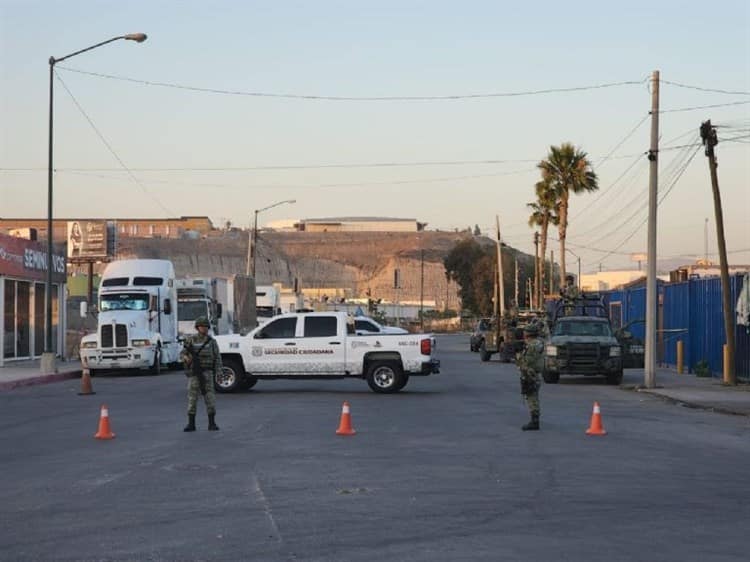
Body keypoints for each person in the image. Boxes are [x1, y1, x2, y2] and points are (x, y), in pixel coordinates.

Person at [180, 316, 222, 432]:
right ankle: (191, 423)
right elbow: (182, 353)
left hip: (207, 373)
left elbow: (217, 357)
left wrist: (219, 372)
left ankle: (212, 423)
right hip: (194, 373)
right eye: (202, 326)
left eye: (206, 327)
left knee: (210, 398)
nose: (204, 329)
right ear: (197, 327)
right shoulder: (191, 340)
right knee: (192, 398)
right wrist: (186, 358)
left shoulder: (211, 341)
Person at [517, 323, 544, 431]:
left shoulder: (531, 346)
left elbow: (528, 361)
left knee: (532, 398)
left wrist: (519, 359)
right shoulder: (538, 343)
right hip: (534, 373)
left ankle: (534, 422)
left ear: (528, 333)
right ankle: (534, 420)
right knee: (533, 397)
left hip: (530, 374)